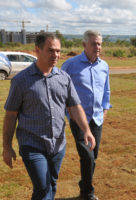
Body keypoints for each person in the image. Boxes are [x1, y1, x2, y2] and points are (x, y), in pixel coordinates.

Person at [2, 33, 96, 200]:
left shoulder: (64, 78)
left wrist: (87, 131)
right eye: (51, 50)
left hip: (58, 145)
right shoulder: (21, 81)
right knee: (43, 186)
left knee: (51, 183)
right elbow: (10, 116)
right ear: (37, 50)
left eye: (58, 51)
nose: (56, 55)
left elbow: (75, 107)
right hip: (32, 144)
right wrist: (7, 147)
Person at [62, 30, 112, 200]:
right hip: (79, 120)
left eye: (99, 43)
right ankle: (89, 193)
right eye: (94, 43)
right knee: (87, 156)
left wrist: (104, 112)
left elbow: (106, 91)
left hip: (97, 120)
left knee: (92, 158)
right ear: (84, 45)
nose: (98, 47)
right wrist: (68, 114)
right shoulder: (70, 65)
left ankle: (84, 192)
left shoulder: (104, 66)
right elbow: (61, 91)